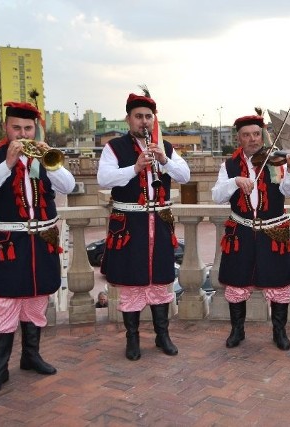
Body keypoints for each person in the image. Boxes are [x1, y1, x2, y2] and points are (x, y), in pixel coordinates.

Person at [0, 101, 75, 396]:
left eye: (28, 128)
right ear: (6, 127)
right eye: (17, 127)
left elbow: (68, 186)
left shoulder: (43, 156)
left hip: (42, 240)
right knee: (5, 305)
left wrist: (48, 160)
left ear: (36, 128)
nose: (22, 133)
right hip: (9, 243)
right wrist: (7, 163)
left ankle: (31, 356)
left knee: (37, 300)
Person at [97, 92, 190, 361]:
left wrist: (164, 160)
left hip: (159, 223)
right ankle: (133, 339)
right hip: (129, 224)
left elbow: (185, 176)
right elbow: (104, 179)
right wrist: (135, 168)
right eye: (139, 116)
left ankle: (163, 336)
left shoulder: (166, 147)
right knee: (131, 284)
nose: (144, 122)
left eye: (149, 117)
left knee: (161, 282)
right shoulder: (114, 147)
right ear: (128, 119)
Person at [212, 114, 290, 351]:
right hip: (240, 231)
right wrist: (235, 182)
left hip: (272, 231)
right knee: (237, 282)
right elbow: (217, 196)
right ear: (238, 138)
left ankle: (279, 332)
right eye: (246, 135)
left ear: (262, 135)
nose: (252, 139)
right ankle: (237, 330)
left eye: (256, 134)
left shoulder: (277, 162)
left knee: (278, 282)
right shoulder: (229, 165)